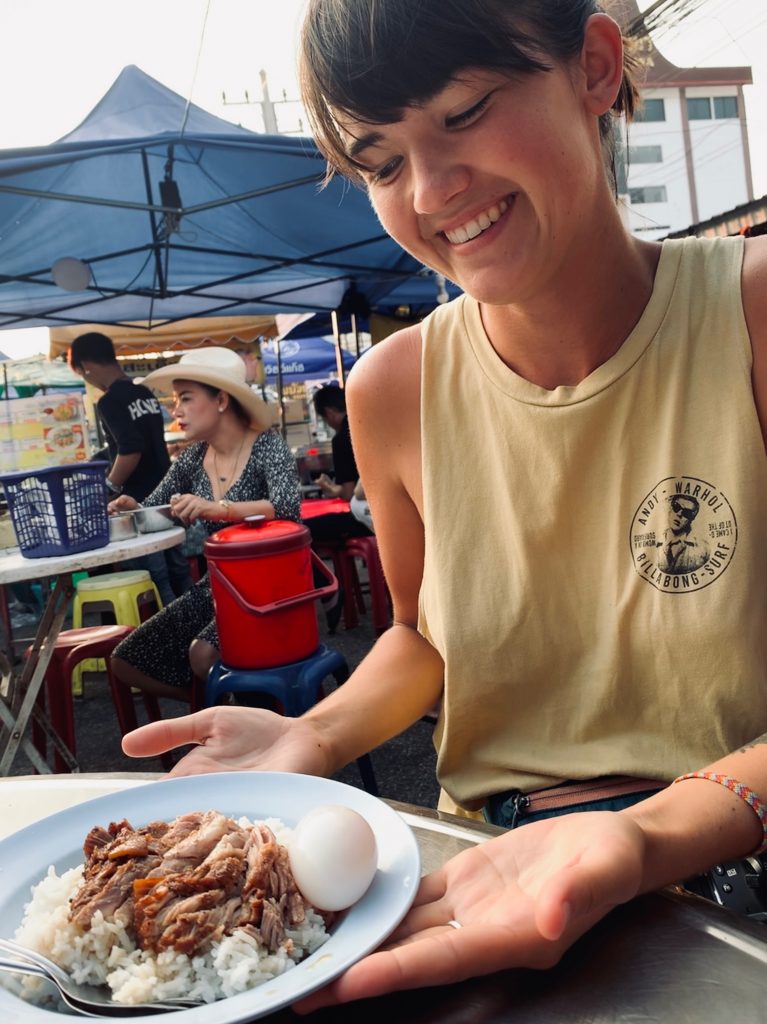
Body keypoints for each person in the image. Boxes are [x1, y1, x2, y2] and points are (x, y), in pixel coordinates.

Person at [122, 0, 767, 1008]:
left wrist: (645, 833)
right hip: (486, 860)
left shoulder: (749, 315)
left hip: (732, 874)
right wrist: (316, 734)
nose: (429, 190)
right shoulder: (392, 389)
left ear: (595, 67)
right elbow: (423, 639)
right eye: (379, 162)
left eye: (462, 111)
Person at [108, 347, 301, 702]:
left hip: (273, 587)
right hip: (218, 585)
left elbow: (287, 508)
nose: (175, 410)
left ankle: (242, 715)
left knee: (203, 654)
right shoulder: (192, 458)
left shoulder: (268, 447)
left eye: (185, 398)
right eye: (174, 399)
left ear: (221, 400)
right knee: (125, 661)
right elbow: (155, 511)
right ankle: (212, 701)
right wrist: (131, 507)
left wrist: (219, 508)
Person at [68, 331, 191, 603]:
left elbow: (131, 448)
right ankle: (198, 627)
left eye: (82, 374)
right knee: (178, 570)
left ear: (86, 366)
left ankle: (176, 636)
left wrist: (110, 486)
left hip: (136, 502)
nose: (87, 379)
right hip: (165, 496)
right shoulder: (143, 392)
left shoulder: (109, 401)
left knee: (156, 578)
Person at [306, 384, 373, 631]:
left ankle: (328, 587)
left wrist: (334, 490)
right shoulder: (369, 425)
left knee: (301, 532)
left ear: (329, 413)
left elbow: (349, 493)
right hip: (389, 514)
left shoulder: (343, 437)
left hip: (364, 518)